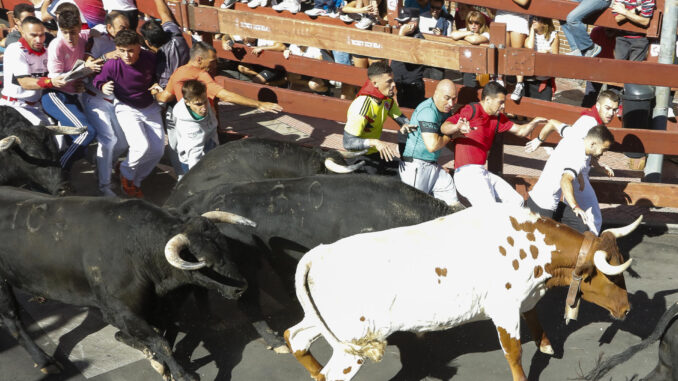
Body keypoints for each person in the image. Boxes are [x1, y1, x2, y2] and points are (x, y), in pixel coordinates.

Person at [155, 41, 283, 178]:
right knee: (202, 162)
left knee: (182, 156)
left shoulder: (178, 72)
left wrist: (154, 93)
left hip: (184, 122)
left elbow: (165, 96)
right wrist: (259, 104)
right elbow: (225, 95)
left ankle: (183, 182)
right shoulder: (201, 76)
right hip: (202, 126)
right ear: (199, 59)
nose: (215, 65)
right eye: (212, 61)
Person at [525, 89, 620, 233]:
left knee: (579, 224)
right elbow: (566, 177)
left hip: (568, 179)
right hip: (547, 199)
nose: (611, 113)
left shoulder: (586, 130)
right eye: (608, 108)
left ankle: (585, 242)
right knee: (590, 221)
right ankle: (591, 247)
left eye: (614, 110)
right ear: (598, 105)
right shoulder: (587, 126)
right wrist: (576, 202)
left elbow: (553, 124)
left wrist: (539, 139)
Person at [440, 81, 547, 206]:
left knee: (517, 202)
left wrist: (535, 122)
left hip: (482, 171)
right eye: (500, 102)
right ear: (488, 100)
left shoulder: (497, 119)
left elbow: (521, 131)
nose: (503, 107)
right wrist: (457, 127)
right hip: (466, 173)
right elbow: (444, 127)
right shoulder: (471, 110)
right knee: (489, 210)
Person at [92, 29, 164, 198]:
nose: (126, 55)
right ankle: (126, 174)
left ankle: (135, 180)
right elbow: (97, 79)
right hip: (126, 107)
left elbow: (158, 76)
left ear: (139, 47)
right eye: (122, 50)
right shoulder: (112, 64)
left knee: (158, 150)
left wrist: (157, 84)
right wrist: (103, 86)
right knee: (140, 145)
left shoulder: (150, 58)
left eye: (131, 50)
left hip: (149, 106)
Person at [42, 9, 103, 170]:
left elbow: (100, 29)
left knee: (78, 140)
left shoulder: (84, 37)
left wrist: (82, 81)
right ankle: (59, 169)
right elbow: (58, 81)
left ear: (79, 28)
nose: (69, 37)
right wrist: (85, 68)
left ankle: (62, 169)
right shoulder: (57, 45)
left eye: (73, 32)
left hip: (73, 96)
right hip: (56, 96)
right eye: (65, 32)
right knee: (86, 132)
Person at [82, 10, 130, 196]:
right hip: (94, 97)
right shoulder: (98, 39)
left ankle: (100, 166)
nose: (126, 30)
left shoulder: (127, 42)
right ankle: (104, 187)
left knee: (123, 142)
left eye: (127, 26)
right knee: (108, 139)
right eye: (122, 27)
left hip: (115, 99)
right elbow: (87, 65)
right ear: (109, 27)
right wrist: (106, 57)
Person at [399, 79, 466, 207]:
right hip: (416, 167)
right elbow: (433, 146)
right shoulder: (428, 111)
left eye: (454, 99)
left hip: (432, 166)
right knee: (413, 211)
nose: (450, 103)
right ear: (436, 93)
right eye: (446, 98)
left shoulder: (446, 112)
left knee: (452, 203)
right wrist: (451, 135)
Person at [343, 61, 414, 175]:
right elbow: (348, 143)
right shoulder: (362, 106)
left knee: (406, 173)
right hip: (360, 157)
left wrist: (405, 124)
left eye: (393, 80)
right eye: (389, 81)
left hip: (377, 153)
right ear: (375, 83)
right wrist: (375, 142)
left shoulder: (386, 99)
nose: (394, 85)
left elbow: (401, 118)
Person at [0, 16, 67, 126]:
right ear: (23, 32)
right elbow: (24, 82)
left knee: (59, 140)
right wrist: (50, 82)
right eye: (33, 35)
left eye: (42, 35)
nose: (39, 40)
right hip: (14, 106)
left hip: (36, 106)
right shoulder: (15, 50)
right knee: (41, 136)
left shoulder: (46, 51)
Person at [139, 0, 190, 89]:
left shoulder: (161, 64)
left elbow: (164, 88)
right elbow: (165, 15)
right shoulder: (175, 35)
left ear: (148, 42)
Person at [171, 80, 218, 175]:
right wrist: (195, 178)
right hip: (193, 163)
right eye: (199, 104)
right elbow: (194, 156)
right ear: (187, 102)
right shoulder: (190, 129)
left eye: (205, 101)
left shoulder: (198, 99)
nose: (204, 107)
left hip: (209, 145)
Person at [390, 8, 426, 109]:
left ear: (413, 24)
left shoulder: (418, 38)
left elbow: (406, 57)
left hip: (411, 87)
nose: (399, 25)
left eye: (403, 22)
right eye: (399, 22)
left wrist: (401, 34)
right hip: (400, 85)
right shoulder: (405, 37)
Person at [523, 16, 559, 101]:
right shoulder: (528, 34)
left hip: (544, 79)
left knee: (543, 110)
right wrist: (532, 29)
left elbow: (556, 57)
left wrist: (547, 55)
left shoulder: (553, 35)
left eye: (536, 18)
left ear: (544, 21)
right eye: (532, 18)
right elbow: (529, 47)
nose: (533, 20)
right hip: (529, 78)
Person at [451, 10, 490, 88]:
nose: (473, 25)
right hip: (466, 66)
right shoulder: (465, 31)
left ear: (481, 24)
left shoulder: (486, 34)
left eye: (476, 23)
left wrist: (463, 36)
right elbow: (454, 35)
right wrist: (469, 33)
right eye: (470, 22)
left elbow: (475, 40)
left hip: (480, 69)